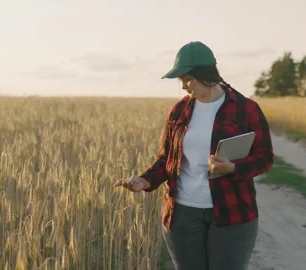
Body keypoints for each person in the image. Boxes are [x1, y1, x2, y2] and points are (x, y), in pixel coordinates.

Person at [113, 41, 274, 270]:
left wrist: (234, 168)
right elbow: (165, 158)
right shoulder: (178, 111)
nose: (183, 86)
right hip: (182, 215)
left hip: (232, 214)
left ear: (203, 76)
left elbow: (264, 156)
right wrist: (145, 180)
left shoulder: (246, 109)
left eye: (186, 79)